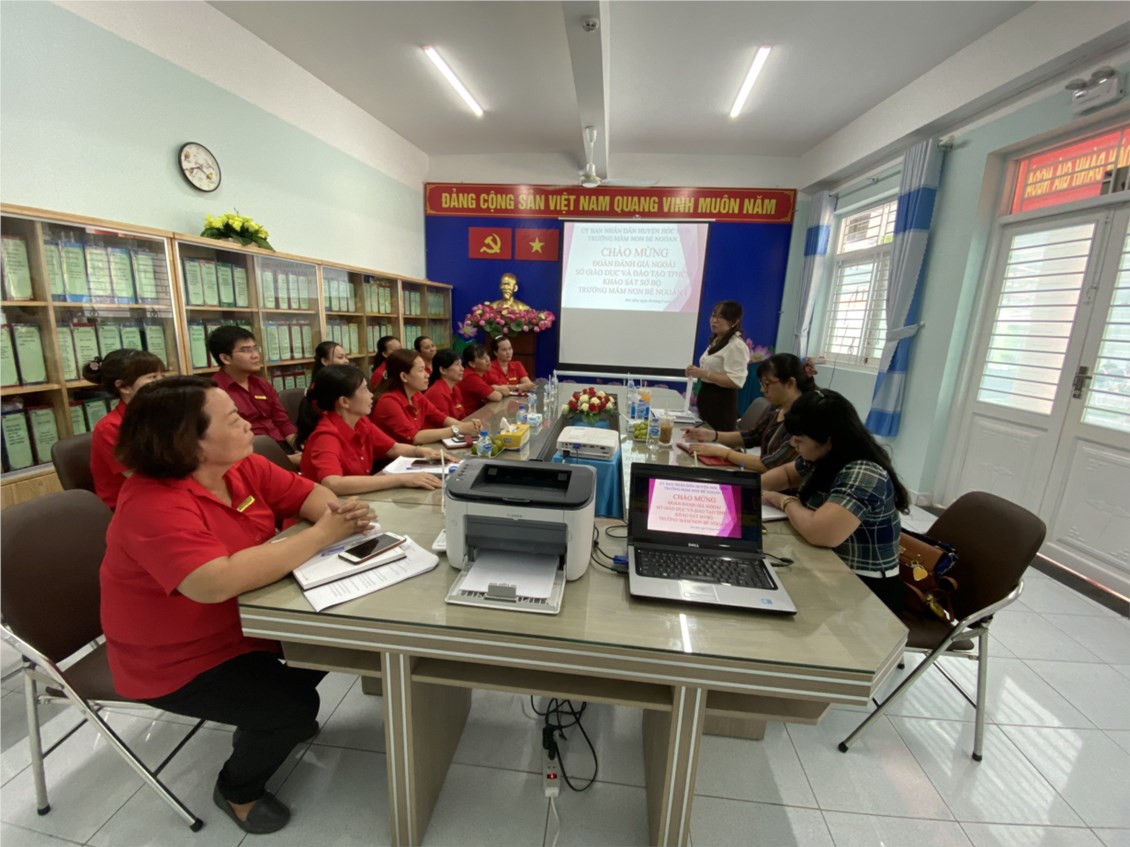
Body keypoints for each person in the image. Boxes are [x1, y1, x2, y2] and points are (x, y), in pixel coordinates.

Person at [100, 376, 376, 834]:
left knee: (334, 641)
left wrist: (335, 515)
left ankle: (266, 716)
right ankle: (238, 790)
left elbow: (309, 494)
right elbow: (214, 581)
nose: (248, 423)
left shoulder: (239, 467)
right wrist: (324, 534)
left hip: (248, 620)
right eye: (233, 419)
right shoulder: (151, 504)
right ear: (189, 442)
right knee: (293, 707)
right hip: (177, 658)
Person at [760, 389, 908, 614]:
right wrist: (745, 488)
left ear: (828, 441)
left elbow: (820, 533)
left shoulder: (864, 473)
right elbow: (788, 474)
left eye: (799, 440)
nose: (792, 444)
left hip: (865, 589)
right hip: (828, 568)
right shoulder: (826, 455)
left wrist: (784, 501)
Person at [297, 365, 442, 493]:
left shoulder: (361, 422)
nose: (371, 395)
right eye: (365, 390)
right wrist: (402, 479)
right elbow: (333, 483)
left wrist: (422, 452)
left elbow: (393, 448)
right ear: (344, 401)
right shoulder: (326, 436)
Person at [684, 354, 817, 472]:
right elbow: (753, 435)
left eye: (767, 384)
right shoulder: (778, 412)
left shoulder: (802, 420)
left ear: (790, 383)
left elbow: (770, 464)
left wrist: (723, 453)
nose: (762, 390)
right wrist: (712, 435)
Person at [82, 348, 164, 509]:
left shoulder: (157, 415)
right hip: (131, 506)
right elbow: (144, 479)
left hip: (160, 497)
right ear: (123, 387)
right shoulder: (109, 427)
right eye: (153, 377)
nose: (162, 382)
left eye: (162, 376)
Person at [207, 326, 300, 465]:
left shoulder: (261, 384)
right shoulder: (215, 392)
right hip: (251, 456)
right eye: (246, 350)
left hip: (282, 446)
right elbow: (228, 441)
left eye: (255, 348)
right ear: (225, 358)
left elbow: (282, 421)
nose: (255, 355)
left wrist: (299, 446)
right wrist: (286, 460)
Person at [371, 349, 481, 444]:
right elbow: (414, 437)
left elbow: (440, 417)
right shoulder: (388, 402)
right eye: (421, 370)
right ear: (404, 376)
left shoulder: (416, 395)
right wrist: (458, 429)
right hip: (395, 459)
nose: (427, 374)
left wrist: (467, 426)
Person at [685, 300, 748, 431]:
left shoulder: (736, 345)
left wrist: (704, 373)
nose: (714, 320)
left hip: (721, 404)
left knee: (715, 440)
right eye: (713, 315)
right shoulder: (717, 340)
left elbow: (735, 381)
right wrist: (695, 371)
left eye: (721, 317)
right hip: (707, 400)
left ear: (734, 322)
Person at [458, 343, 503, 415]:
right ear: (472, 364)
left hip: (481, 412)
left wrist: (495, 388)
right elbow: (496, 397)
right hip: (467, 417)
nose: (488, 359)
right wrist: (494, 388)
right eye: (483, 358)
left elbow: (504, 388)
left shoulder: (485, 372)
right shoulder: (470, 377)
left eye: (487, 355)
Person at [424, 349, 466, 420]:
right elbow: (444, 423)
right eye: (457, 365)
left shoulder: (455, 388)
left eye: (461, 364)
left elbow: (462, 416)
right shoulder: (436, 393)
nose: (462, 369)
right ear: (443, 370)